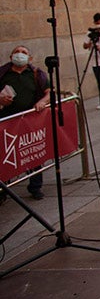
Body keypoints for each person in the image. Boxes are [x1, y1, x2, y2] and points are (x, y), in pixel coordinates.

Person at [0, 46, 51, 198]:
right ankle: (4, 188)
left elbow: (49, 93)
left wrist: (42, 102)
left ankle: (35, 186)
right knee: (6, 154)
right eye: (17, 52)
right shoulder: (3, 74)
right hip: (7, 120)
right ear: (11, 57)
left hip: (29, 120)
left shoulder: (36, 74)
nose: (19, 55)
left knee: (31, 152)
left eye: (23, 53)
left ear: (30, 58)